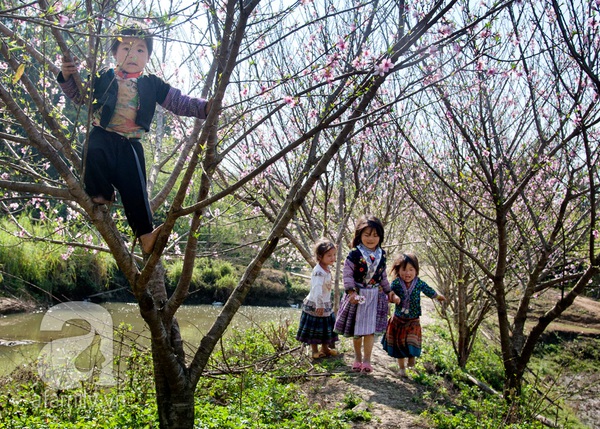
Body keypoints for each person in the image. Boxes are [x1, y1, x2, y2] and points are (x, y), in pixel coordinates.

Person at [57, 23, 211, 254]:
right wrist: (68, 76)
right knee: (93, 151)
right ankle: (101, 194)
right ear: (114, 54)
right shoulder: (103, 77)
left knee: (136, 190)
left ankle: (146, 236)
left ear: (147, 57)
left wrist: (205, 108)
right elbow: (80, 96)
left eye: (140, 50)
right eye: (126, 48)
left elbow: (178, 101)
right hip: (104, 133)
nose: (133, 55)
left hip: (130, 143)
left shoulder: (151, 83)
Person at [334, 215, 400, 373]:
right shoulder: (354, 254)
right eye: (367, 234)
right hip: (357, 296)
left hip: (375, 297)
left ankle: (367, 360)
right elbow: (347, 275)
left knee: (369, 331)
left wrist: (390, 292)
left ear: (380, 237)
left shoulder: (382, 255)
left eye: (375, 235)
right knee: (358, 332)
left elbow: (383, 276)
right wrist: (351, 292)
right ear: (359, 235)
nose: (371, 238)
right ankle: (357, 358)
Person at [381, 252, 446, 377]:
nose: (407, 273)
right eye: (404, 270)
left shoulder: (419, 283)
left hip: (413, 320)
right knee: (399, 345)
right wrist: (394, 298)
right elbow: (389, 294)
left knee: (411, 341)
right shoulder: (396, 283)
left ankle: (411, 357)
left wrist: (437, 296)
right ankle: (401, 369)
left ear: (416, 270)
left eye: (411, 269)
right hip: (399, 320)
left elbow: (428, 290)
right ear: (398, 270)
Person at [296, 238, 339, 358]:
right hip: (316, 303)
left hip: (325, 303)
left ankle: (325, 348)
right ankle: (314, 350)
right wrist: (319, 304)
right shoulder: (318, 271)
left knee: (325, 327)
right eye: (329, 255)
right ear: (320, 256)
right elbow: (317, 288)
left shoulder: (327, 269)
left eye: (334, 255)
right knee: (314, 327)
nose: (333, 258)